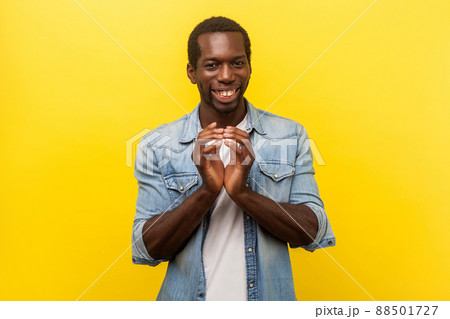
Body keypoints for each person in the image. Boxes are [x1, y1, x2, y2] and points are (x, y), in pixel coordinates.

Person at [131, 16, 335, 301]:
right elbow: (147, 248)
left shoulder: (290, 135)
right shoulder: (157, 145)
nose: (226, 75)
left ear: (249, 67)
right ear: (192, 72)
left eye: (237, 63)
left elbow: (313, 231)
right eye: (212, 65)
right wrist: (207, 191)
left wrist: (243, 193)